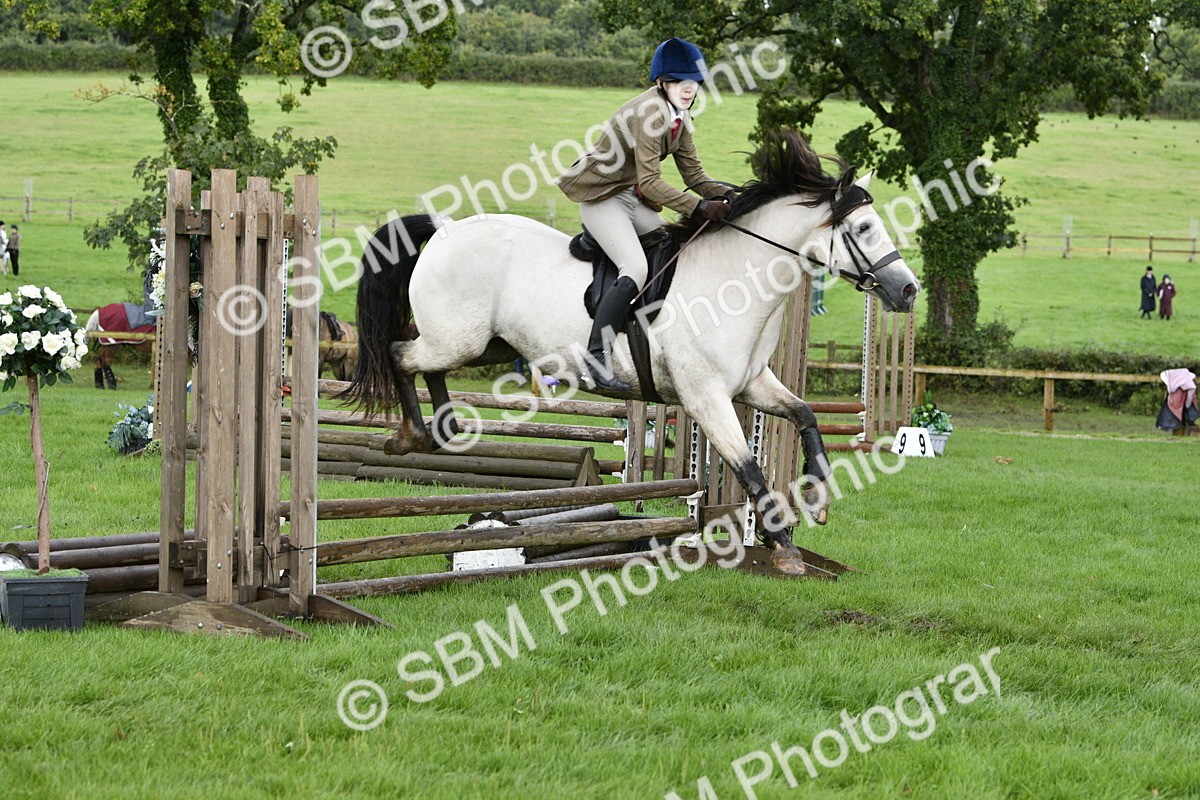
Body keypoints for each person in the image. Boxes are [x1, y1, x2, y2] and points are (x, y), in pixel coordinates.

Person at [558, 37, 730, 391]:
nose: (689, 89)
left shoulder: (680, 117)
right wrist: (699, 208)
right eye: (681, 82)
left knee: (667, 241)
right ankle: (595, 359)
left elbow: (695, 176)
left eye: (694, 83)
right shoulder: (651, 113)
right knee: (635, 268)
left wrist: (731, 195)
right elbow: (651, 183)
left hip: (627, 195)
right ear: (662, 82)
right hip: (601, 196)